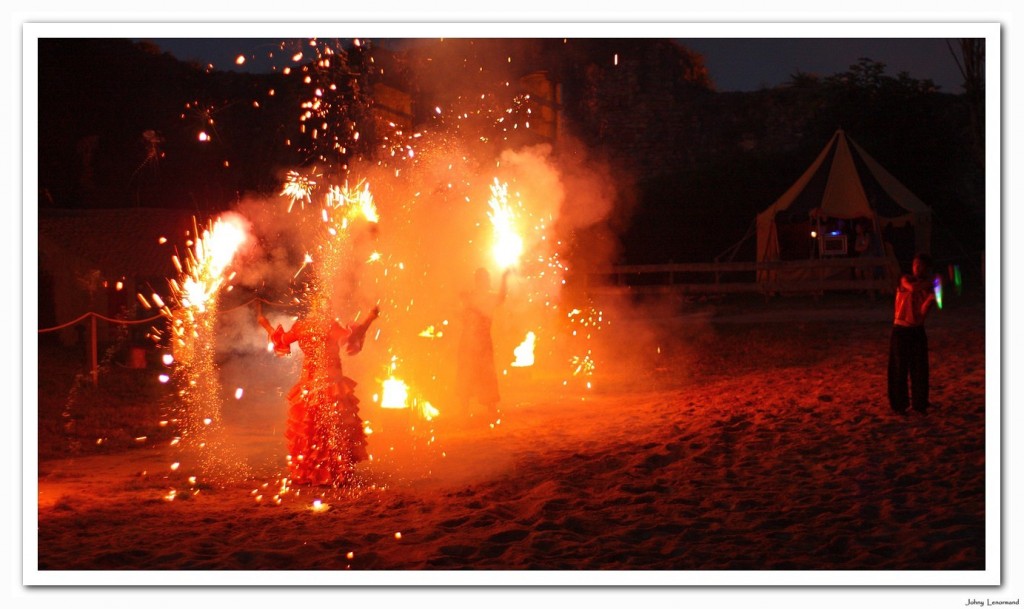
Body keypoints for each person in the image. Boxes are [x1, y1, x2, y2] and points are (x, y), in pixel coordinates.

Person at [257, 299, 379, 486]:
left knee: (311, 430)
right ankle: (333, 473)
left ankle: (311, 474)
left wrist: (265, 324)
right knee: (333, 429)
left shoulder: (302, 326)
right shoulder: (330, 326)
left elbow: (280, 340)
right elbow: (353, 336)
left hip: (308, 386)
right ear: (326, 309)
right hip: (331, 384)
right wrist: (370, 317)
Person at [455, 267, 509, 423]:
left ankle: (491, 408)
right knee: (466, 373)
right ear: (479, 281)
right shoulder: (468, 297)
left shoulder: (488, 297)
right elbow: (459, 314)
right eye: (484, 279)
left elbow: (501, 297)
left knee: (487, 374)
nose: (487, 282)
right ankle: (463, 410)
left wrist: (505, 278)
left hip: (483, 342)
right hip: (468, 342)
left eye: (487, 279)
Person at [887, 253, 938, 416]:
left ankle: (920, 403)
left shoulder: (929, 288)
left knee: (920, 369)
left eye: (920, 265)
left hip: (916, 331)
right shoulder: (905, 279)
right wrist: (936, 283)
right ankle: (899, 405)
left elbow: (921, 314)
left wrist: (932, 297)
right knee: (899, 369)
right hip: (900, 330)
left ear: (926, 268)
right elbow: (913, 288)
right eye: (915, 264)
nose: (916, 267)